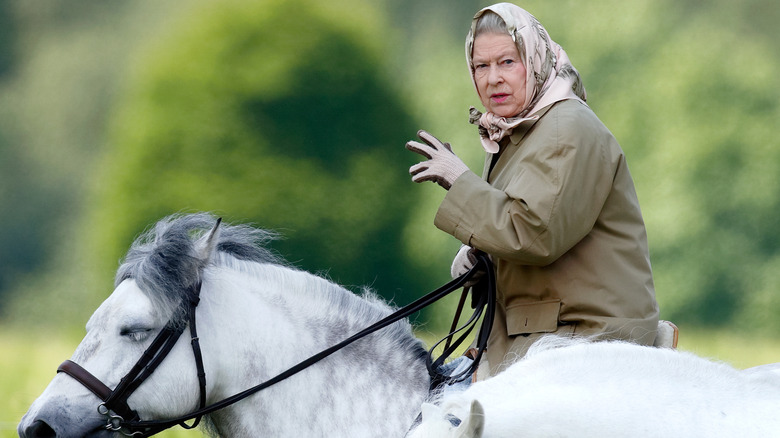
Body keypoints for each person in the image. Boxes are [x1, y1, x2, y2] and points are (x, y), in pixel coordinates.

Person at [406, 2, 659, 377]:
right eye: (481, 66)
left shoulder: (565, 127)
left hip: (588, 341)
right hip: (543, 337)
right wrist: (481, 258)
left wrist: (460, 181)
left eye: (507, 62)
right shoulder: (520, 132)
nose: (493, 79)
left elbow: (534, 234)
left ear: (535, 59)